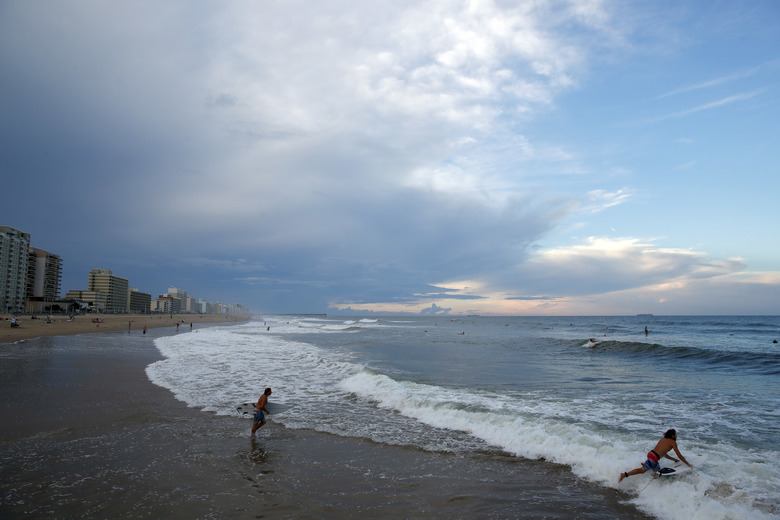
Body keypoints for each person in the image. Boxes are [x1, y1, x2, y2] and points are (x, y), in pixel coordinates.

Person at [619, 429, 692, 483]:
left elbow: (664, 454)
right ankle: (624, 475)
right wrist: (688, 464)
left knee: (657, 473)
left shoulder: (663, 439)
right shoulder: (673, 442)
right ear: (672, 435)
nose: (676, 436)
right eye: (675, 434)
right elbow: (679, 455)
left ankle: (649, 468)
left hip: (651, 454)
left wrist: (673, 459)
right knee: (642, 471)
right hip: (654, 458)